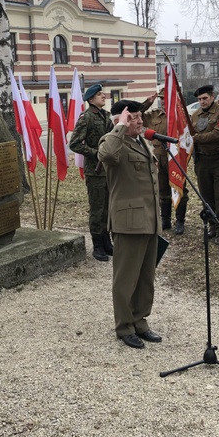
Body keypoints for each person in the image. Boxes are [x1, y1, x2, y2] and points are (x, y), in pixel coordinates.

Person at [97, 100, 162, 349]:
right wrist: (119, 127)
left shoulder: (141, 141)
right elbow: (107, 156)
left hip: (149, 219)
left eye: (139, 117)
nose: (139, 121)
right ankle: (124, 326)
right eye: (132, 117)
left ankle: (140, 321)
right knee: (126, 279)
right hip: (128, 221)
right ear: (120, 119)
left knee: (146, 277)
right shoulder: (111, 140)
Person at [69, 84, 114, 261]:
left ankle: (106, 240)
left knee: (108, 208)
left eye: (103, 93)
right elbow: (74, 144)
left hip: (108, 170)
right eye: (99, 94)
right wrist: (95, 153)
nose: (103, 96)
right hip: (94, 171)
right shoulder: (86, 117)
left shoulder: (106, 116)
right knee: (97, 209)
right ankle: (97, 245)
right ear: (90, 99)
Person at [190, 85, 219, 245]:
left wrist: (196, 138)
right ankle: (212, 225)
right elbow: (189, 134)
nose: (202, 102)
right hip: (203, 160)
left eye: (205, 98)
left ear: (212, 97)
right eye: (199, 99)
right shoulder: (195, 115)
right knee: (206, 195)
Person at [139, 91, 189, 234]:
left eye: (165, 99)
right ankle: (165, 219)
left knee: (179, 187)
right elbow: (138, 114)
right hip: (158, 154)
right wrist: (148, 102)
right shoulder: (154, 115)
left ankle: (180, 221)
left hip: (176, 156)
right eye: (161, 99)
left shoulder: (181, 115)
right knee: (162, 189)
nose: (162, 102)